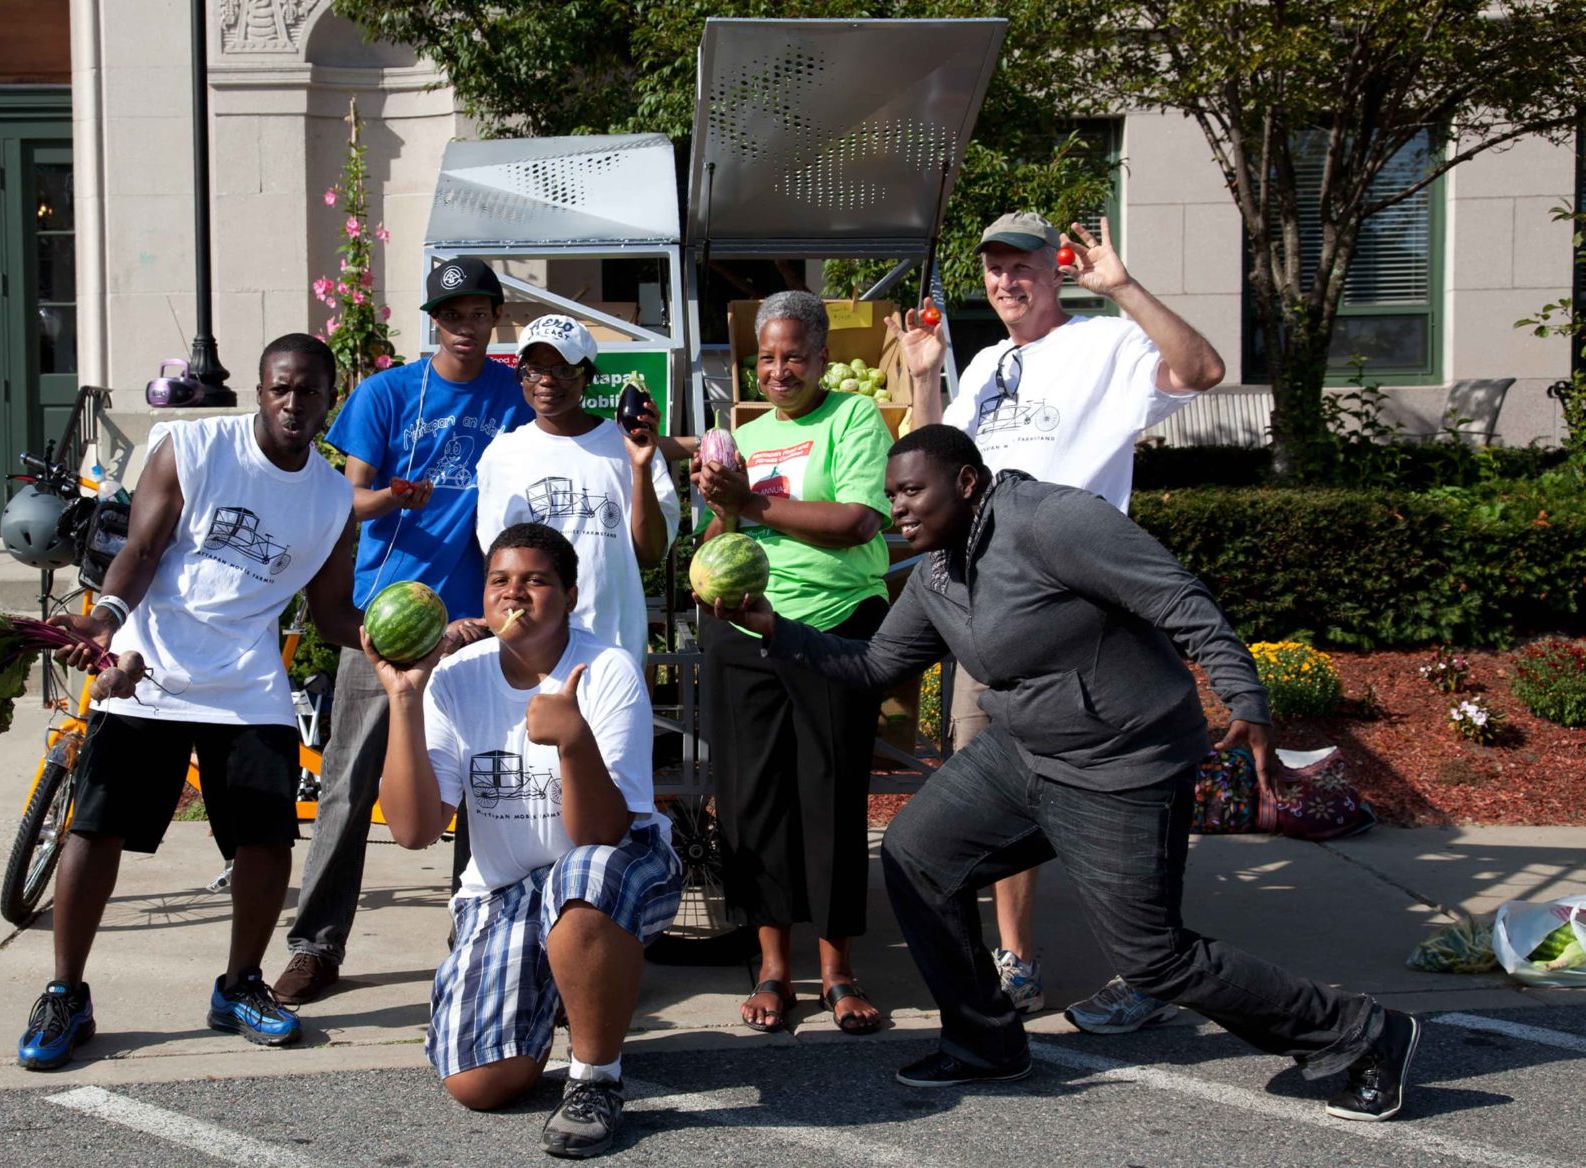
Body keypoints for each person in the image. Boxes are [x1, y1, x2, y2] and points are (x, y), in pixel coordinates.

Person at [716, 424, 1421, 1122]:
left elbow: (1176, 594)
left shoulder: (1052, 522)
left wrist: (1246, 694)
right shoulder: (936, 573)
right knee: (917, 855)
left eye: (910, 492)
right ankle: (984, 1041)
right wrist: (774, 627)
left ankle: (1361, 1033)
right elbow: (873, 668)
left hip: (1123, 762)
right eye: (890, 496)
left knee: (1155, 960)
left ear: (965, 482)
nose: (897, 509)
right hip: (1025, 750)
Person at [893, 211, 1226, 1031]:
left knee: (1128, 789)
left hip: (1086, 613)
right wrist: (931, 378)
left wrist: (1122, 287)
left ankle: (1151, 967)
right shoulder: (987, 366)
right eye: (995, 268)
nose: (1008, 281)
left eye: (1025, 266)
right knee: (994, 778)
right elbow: (931, 460)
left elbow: (1204, 369)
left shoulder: (1107, 343)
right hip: (992, 609)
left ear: (1058, 269)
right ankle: (1018, 960)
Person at [15, 334, 366, 1070]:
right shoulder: (194, 447)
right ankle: (65, 993)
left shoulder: (334, 499)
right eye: (280, 388)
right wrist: (104, 622)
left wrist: (405, 639)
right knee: (95, 829)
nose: (293, 403)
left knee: (267, 842)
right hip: (154, 670)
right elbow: (138, 552)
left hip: (245, 682)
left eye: (308, 391)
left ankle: (239, 985)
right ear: (262, 391)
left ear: (329, 400)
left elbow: (333, 614)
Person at [368, 522, 682, 1159]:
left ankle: (595, 1077)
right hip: (507, 888)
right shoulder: (455, 677)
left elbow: (603, 833)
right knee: (481, 1084)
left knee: (582, 878)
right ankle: (552, 986)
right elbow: (412, 831)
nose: (515, 595)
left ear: (568, 593)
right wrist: (405, 698)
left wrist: (573, 740)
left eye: (535, 581)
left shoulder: (607, 669)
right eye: (499, 581)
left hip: (618, 861)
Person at [276, 257, 536, 1006]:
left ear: (494, 317)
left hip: (479, 627)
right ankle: (315, 946)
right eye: (450, 313)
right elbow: (343, 503)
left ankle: (474, 939)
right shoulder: (386, 393)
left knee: (485, 786)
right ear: (434, 320)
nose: (464, 324)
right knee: (348, 786)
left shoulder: (511, 398)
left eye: (477, 311)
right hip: (386, 623)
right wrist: (394, 496)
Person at [691, 289, 892, 1036]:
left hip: (833, 628)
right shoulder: (746, 432)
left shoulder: (852, 418)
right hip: (743, 632)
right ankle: (773, 968)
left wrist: (751, 502)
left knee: (829, 797)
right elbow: (728, 529)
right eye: (767, 358)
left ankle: (838, 973)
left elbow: (856, 521)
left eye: (794, 356)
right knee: (751, 801)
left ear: (822, 359)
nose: (779, 370)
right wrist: (719, 507)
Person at [476, 314, 679, 658]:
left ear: (586, 376)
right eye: (535, 369)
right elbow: (499, 564)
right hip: (532, 650)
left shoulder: (630, 445)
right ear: (521, 376)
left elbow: (650, 553)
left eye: (564, 369)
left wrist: (641, 467)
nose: (547, 381)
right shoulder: (503, 454)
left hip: (614, 647)